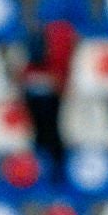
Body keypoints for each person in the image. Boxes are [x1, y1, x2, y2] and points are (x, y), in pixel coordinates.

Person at [20, 24, 72, 174]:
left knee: (51, 134)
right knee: (40, 135)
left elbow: (59, 87)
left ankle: (55, 170)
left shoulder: (55, 69)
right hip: (38, 124)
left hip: (51, 120)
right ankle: (42, 169)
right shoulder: (28, 70)